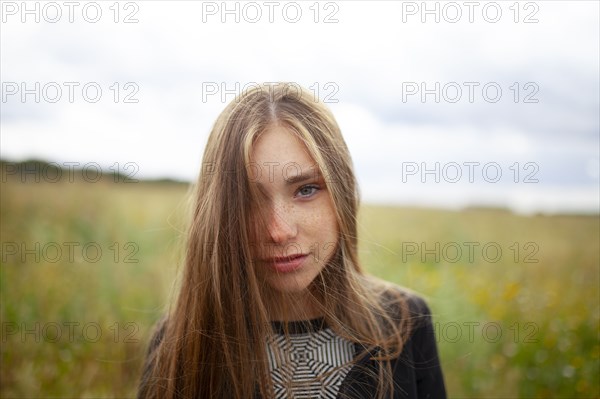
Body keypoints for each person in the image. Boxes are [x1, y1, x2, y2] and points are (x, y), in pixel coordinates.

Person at [137, 82, 446, 399]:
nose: (279, 231)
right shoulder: (180, 343)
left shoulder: (405, 322)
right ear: (218, 215)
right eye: (248, 199)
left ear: (342, 194)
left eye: (306, 190)